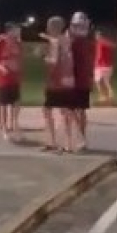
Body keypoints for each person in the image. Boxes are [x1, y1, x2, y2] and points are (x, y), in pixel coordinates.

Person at [41, 16, 76, 153]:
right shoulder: (66, 40)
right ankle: (68, 143)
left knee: (48, 110)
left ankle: (53, 142)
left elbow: (53, 60)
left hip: (55, 80)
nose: (47, 28)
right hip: (66, 79)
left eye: (49, 26)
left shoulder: (55, 41)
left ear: (53, 27)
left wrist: (43, 57)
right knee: (65, 111)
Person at [0, 23, 22, 140]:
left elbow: (19, 59)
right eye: (17, 30)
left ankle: (15, 125)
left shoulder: (18, 44)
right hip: (3, 78)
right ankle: (5, 129)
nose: (19, 32)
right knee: (3, 104)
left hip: (15, 77)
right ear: (10, 31)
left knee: (16, 103)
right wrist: (1, 68)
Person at [69, 11, 95, 151]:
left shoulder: (75, 43)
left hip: (75, 81)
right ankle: (81, 137)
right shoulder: (88, 42)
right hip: (83, 80)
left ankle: (80, 137)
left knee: (72, 109)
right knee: (80, 110)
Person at [94, 31, 116, 104]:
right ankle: (110, 95)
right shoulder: (108, 43)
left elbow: (100, 55)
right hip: (109, 65)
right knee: (106, 81)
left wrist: (96, 63)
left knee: (97, 81)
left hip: (101, 65)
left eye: (97, 35)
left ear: (98, 35)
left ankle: (103, 96)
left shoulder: (100, 43)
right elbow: (114, 47)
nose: (96, 37)